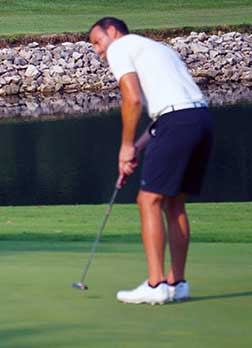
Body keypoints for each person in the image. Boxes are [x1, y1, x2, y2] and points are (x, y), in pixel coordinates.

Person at [88, 17, 213, 304]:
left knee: (148, 201)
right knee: (174, 202)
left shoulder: (120, 48)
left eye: (97, 42)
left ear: (112, 31)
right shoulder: (157, 49)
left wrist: (125, 146)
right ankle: (177, 283)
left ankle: (156, 286)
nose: (97, 51)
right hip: (200, 119)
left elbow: (131, 100)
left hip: (177, 122)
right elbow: (167, 113)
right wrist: (138, 149)